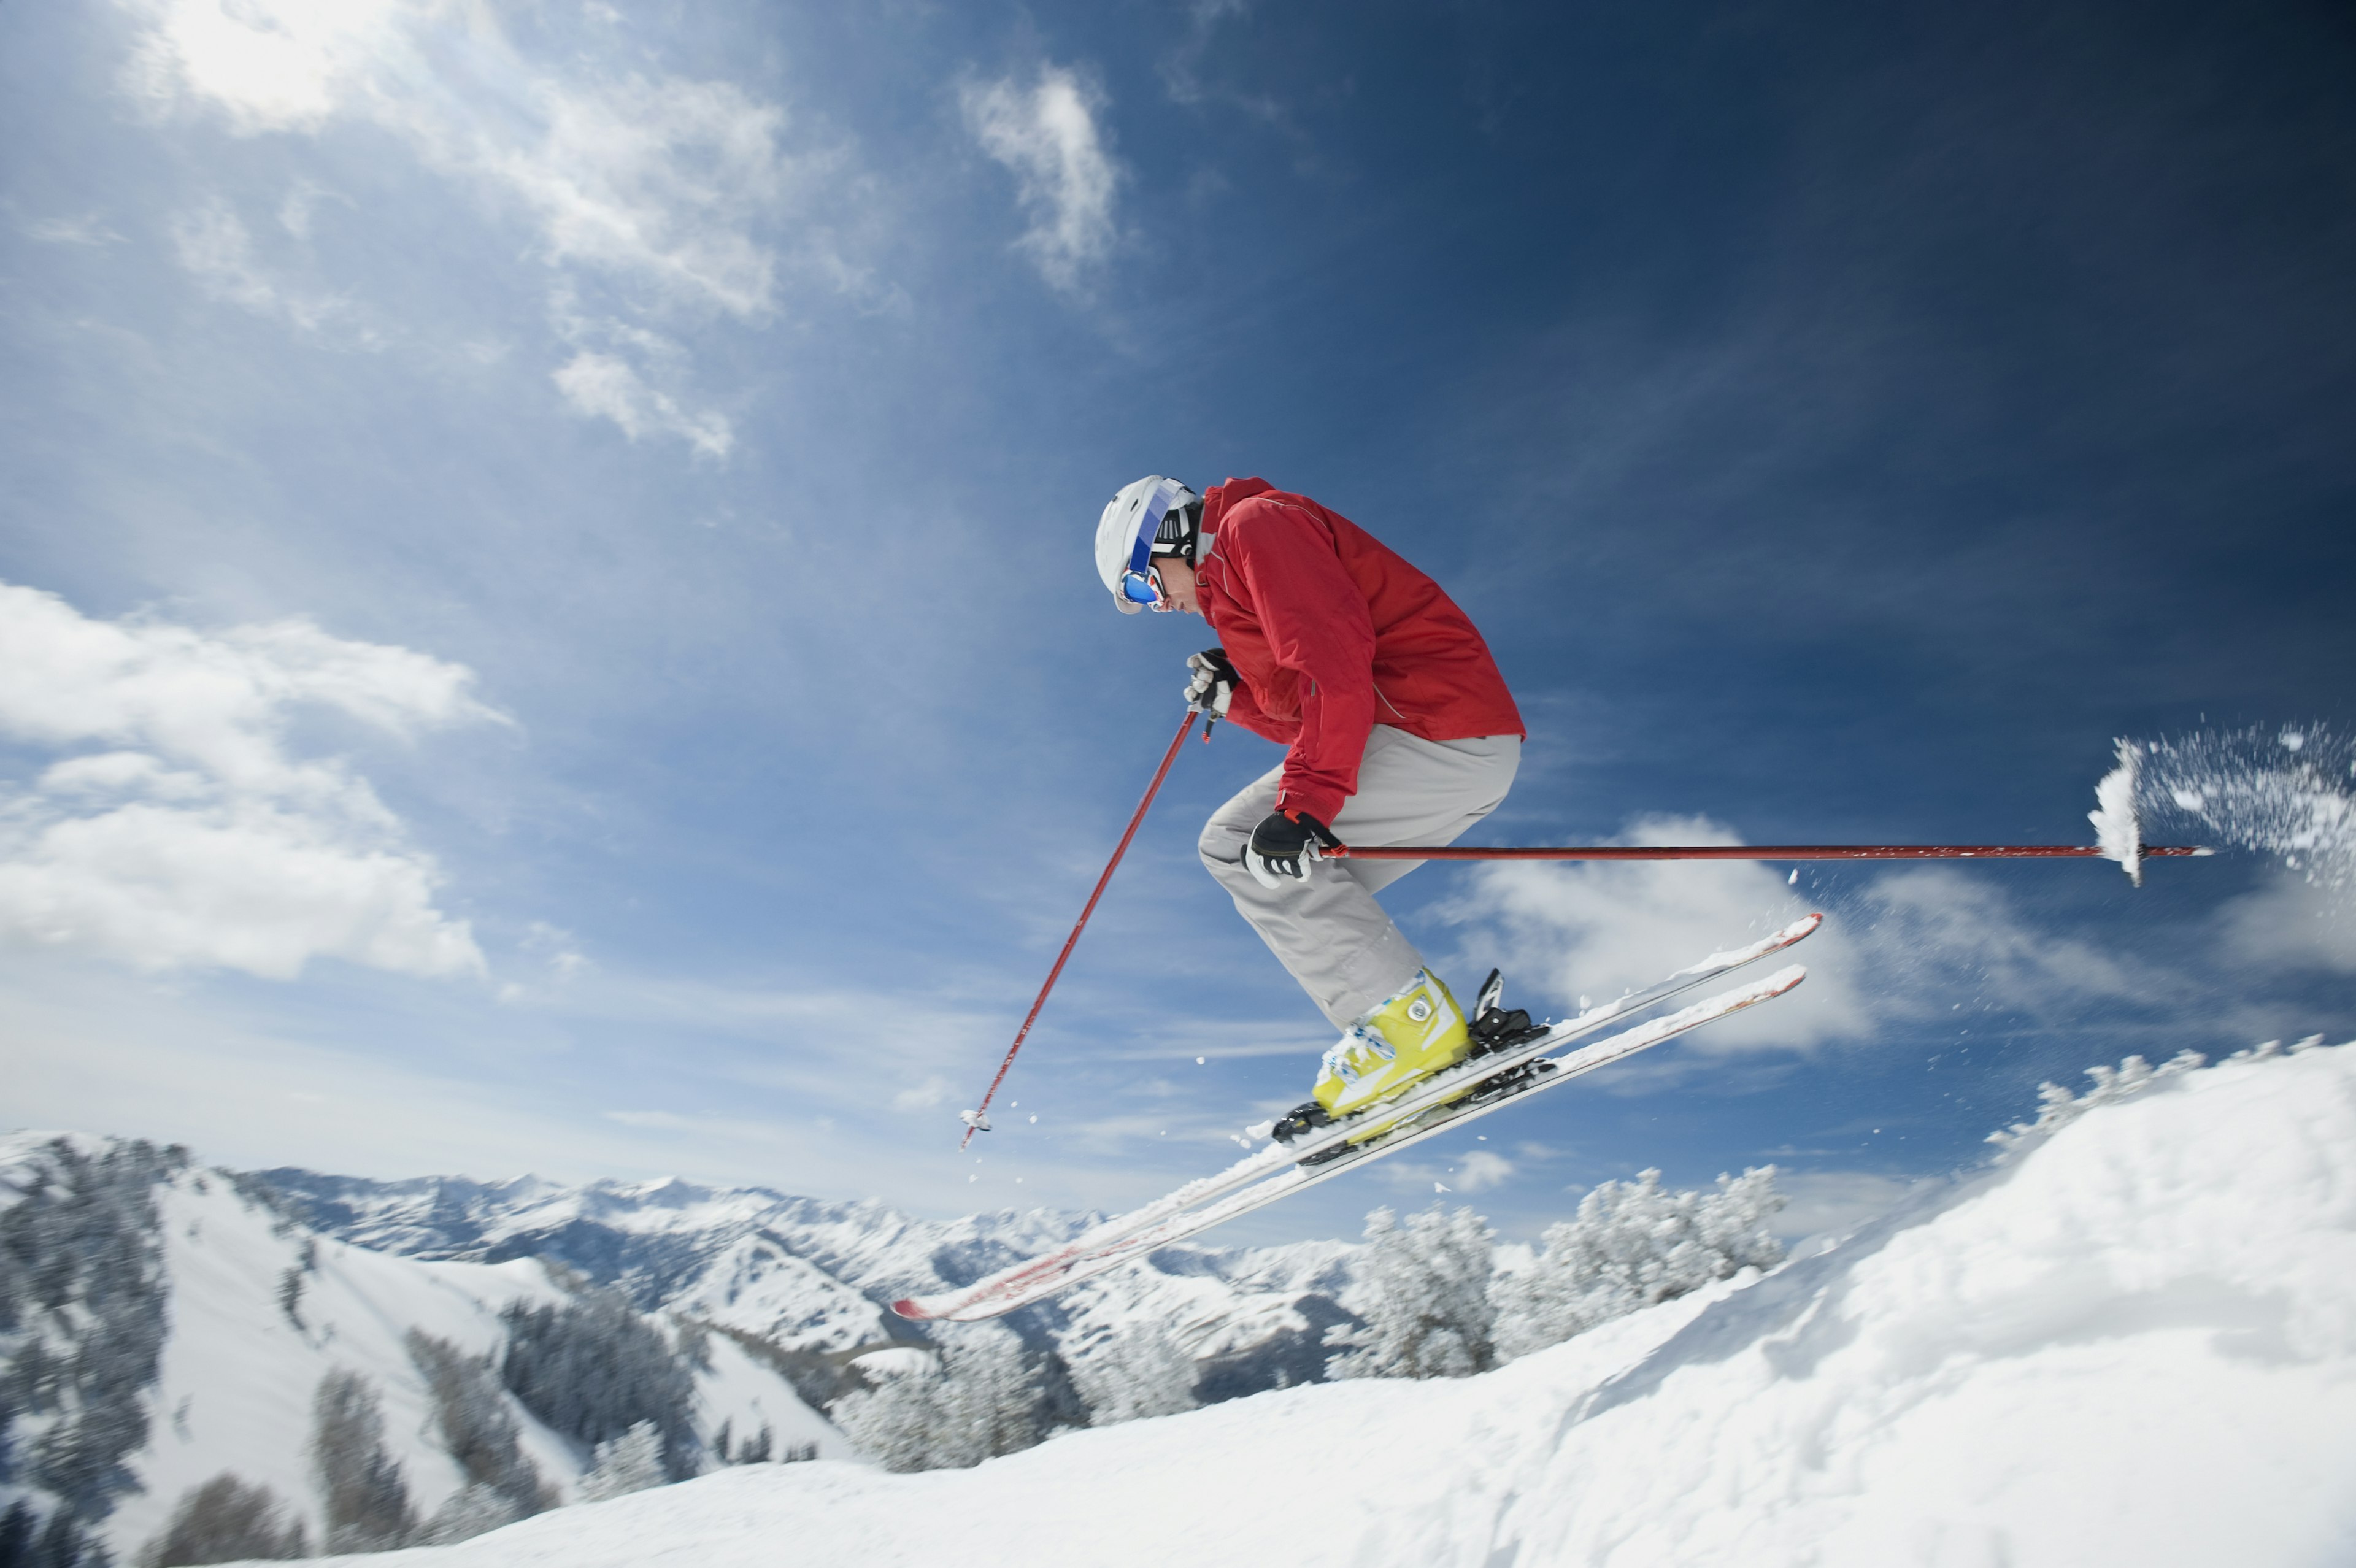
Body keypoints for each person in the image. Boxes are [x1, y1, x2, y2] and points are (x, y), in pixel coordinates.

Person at [1093, 474, 1541, 1145]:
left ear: (1167, 534)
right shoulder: (1237, 576)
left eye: (1141, 585)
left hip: (1434, 728)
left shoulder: (1255, 528)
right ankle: (1403, 1035)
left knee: (1237, 843)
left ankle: (1411, 1031)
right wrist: (1235, 700)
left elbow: (1333, 667)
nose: (1154, 605)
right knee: (1292, 884)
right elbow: (1317, 711)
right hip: (1442, 740)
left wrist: (1303, 805)